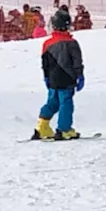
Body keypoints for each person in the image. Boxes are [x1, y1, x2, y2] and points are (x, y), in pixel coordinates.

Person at [32, 8, 84, 140]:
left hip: (53, 79)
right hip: (67, 78)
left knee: (52, 102)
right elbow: (77, 61)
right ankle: (64, 129)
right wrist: (80, 75)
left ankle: (42, 126)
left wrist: (46, 77)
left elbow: (45, 63)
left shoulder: (47, 43)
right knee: (66, 103)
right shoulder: (72, 43)